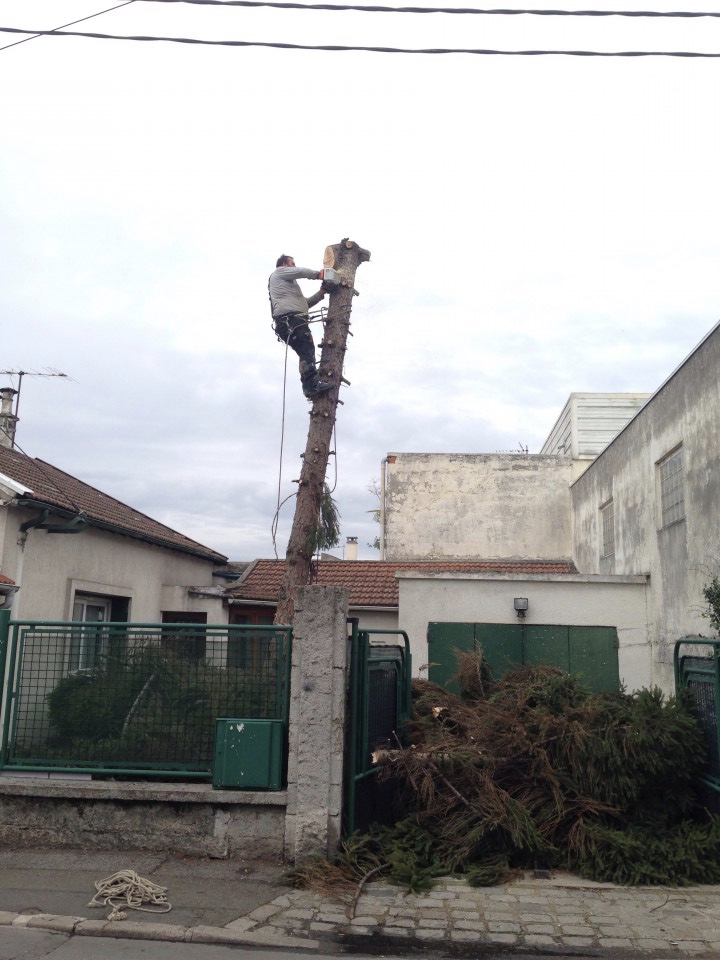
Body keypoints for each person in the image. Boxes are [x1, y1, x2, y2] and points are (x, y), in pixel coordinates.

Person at [268, 255, 332, 399]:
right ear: (284, 264)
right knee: (307, 349)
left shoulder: (288, 289)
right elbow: (300, 271)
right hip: (290, 320)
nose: (294, 266)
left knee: (306, 352)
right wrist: (318, 274)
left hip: (290, 321)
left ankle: (310, 385)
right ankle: (311, 386)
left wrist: (322, 292)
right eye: (293, 263)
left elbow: (305, 305)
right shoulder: (280, 271)